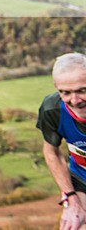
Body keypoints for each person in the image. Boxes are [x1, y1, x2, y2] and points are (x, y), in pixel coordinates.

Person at [37, 52, 86, 230]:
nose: (75, 100)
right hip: (82, 179)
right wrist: (70, 197)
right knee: (74, 226)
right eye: (65, 92)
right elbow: (52, 152)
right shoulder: (52, 109)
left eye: (82, 90)